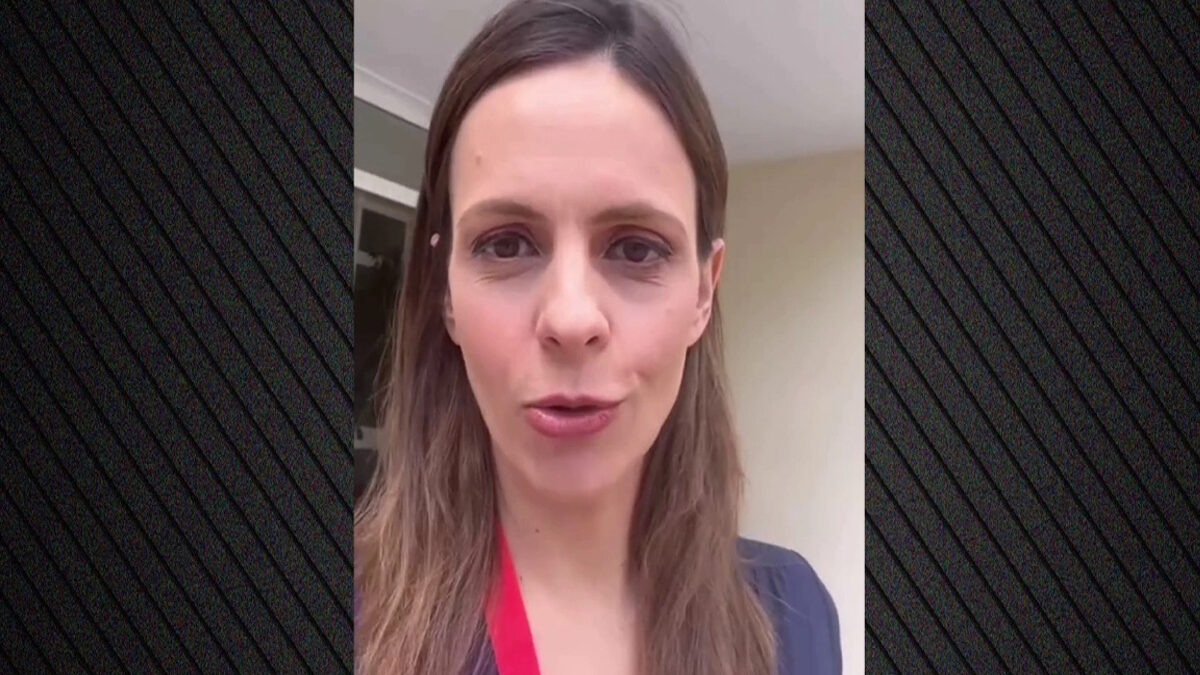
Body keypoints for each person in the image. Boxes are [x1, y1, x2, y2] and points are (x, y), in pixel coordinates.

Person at [354, 1, 841, 673]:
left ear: (704, 292)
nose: (571, 318)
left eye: (637, 249)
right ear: (444, 290)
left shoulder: (797, 618)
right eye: (506, 243)